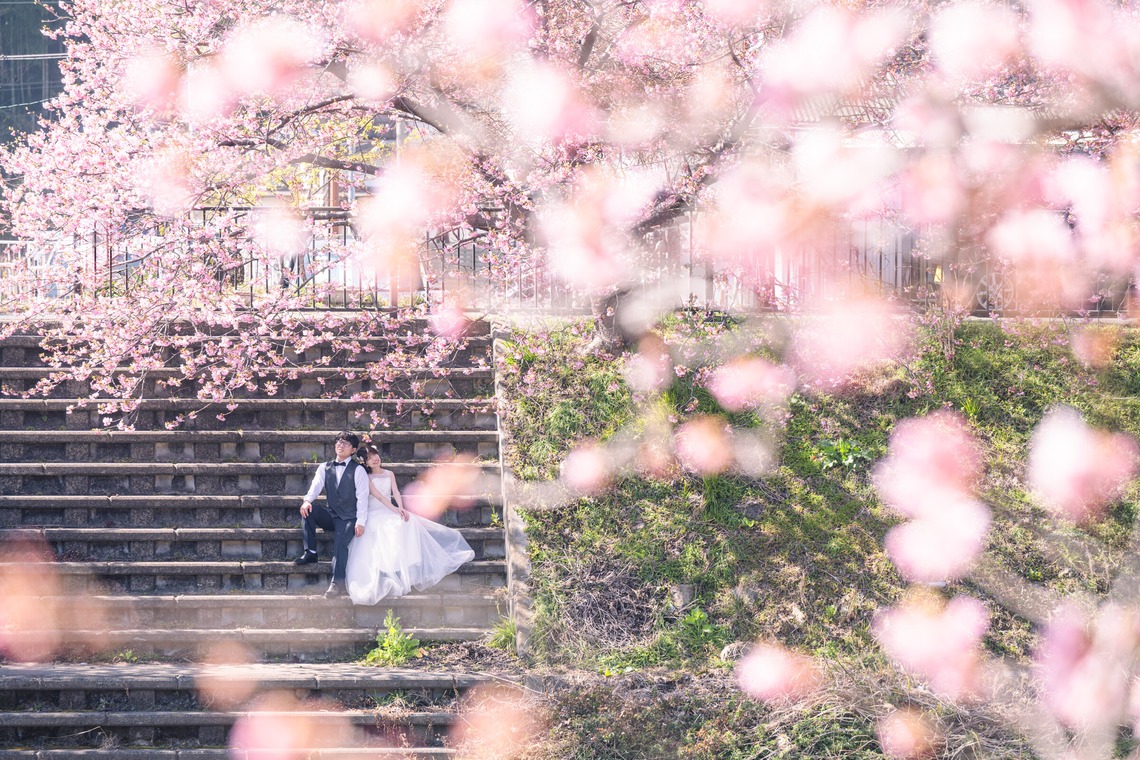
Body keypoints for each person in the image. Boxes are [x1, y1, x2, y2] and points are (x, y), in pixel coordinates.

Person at [345, 446, 476, 606]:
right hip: (375, 512)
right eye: (370, 457)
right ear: (365, 462)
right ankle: (391, 570)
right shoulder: (366, 477)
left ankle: (410, 567)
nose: (375, 458)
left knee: (409, 521)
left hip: (391, 509)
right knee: (385, 528)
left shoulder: (389, 474)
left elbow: (396, 493)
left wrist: (401, 509)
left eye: (375, 455)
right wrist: (395, 509)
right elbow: (379, 497)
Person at [295, 431, 369, 599]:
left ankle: (337, 583)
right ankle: (311, 553)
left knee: (340, 542)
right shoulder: (325, 467)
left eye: (346, 443)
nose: (340, 445)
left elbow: (363, 498)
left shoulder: (358, 470)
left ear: (353, 450)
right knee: (309, 510)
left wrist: (361, 521)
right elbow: (315, 486)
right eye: (339, 442)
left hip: (350, 517)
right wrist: (307, 500)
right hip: (332, 514)